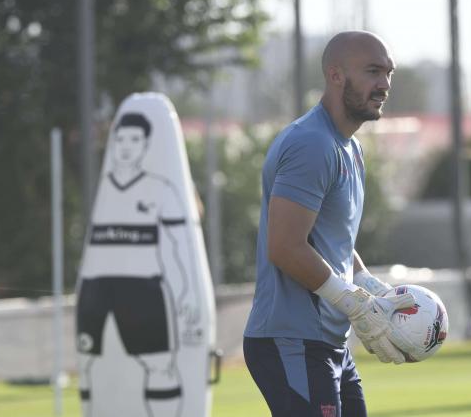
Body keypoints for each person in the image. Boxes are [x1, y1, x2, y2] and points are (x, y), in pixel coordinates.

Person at [242, 31, 416, 417]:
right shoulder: (312, 144)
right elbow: (285, 246)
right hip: (292, 339)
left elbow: (331, 238)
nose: (384, 84)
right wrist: (351, 301)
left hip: (327, 341)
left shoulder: (349, 147)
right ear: (335, 75)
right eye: (373, 71)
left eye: (389, 73)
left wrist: (368, 284)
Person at [76, 113, 200, 417]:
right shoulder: (101, 191)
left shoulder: (160, 188)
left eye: (134, 139)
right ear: (113, 143)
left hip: (142, 288)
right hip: (96, 287)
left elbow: (179, 245)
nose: (126, 146)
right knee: (89, 364)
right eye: (120, 139)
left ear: (145, 144)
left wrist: (184, 292)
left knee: (160, 365)